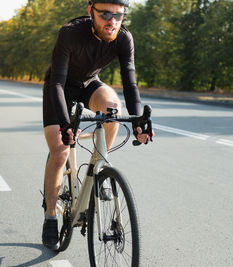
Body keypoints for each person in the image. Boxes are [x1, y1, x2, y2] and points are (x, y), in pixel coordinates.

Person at [42, 0, 153, 250]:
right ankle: (50, 215)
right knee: (60, 151)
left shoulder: (124, 39)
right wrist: (64, 125)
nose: (112, 21)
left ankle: (98, 167)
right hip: (58, 87)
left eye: (119, 15)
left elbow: (130, 84)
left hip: (89, 83)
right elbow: (58, 84)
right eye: (105, 14)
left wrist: (138, 122)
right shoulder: (70, 33)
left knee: (113, 107)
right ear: (90, 10)